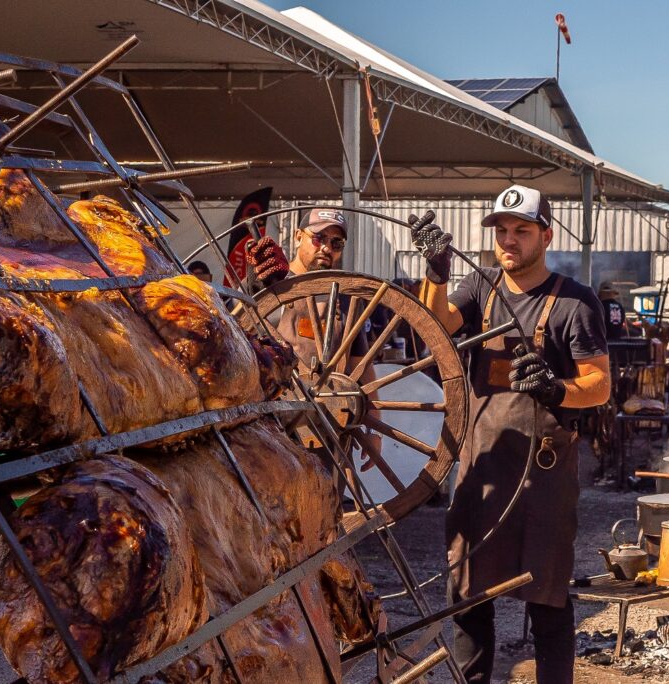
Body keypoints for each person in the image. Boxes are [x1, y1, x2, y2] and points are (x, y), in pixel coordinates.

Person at [411, 184, 611, 683]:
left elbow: (600, 384)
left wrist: (556, 389)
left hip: (543, 475)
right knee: (468, 596)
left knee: (548, 600)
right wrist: (436, 273)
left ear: (546, 236)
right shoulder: (480, 288)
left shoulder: (575, 302)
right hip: (483, 466)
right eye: (501, 230)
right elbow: (436, 327)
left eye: (522, 230)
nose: (509, 240)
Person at [255, 208, 382, 467]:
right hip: (270, 431)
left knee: (327, 492)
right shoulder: (270, 283)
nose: (326, 248)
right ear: (298, 236)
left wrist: (375, 427)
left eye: (336, 243)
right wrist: (254, 290)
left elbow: (362, 366)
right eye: (318, 238)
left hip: (331, 429)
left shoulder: (346, 298)